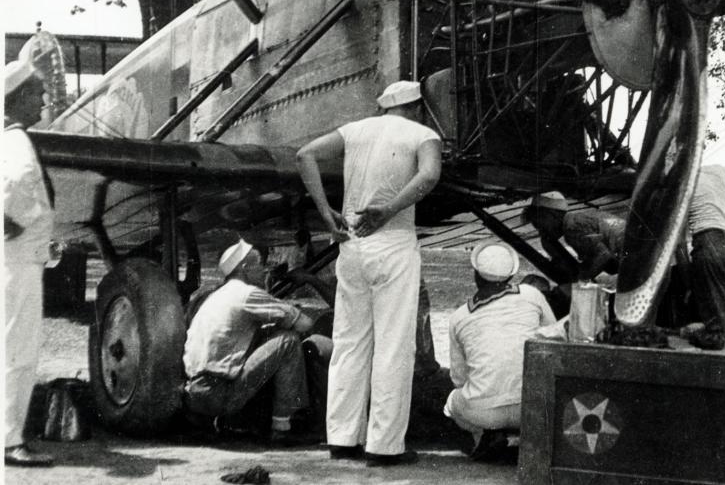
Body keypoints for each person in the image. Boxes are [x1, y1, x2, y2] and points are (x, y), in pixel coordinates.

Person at [296, 80, 442, 467]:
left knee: (349, 341)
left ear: (385, 107)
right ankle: (385, 446)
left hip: (351, 246)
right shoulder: (423, 134)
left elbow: (304, 155)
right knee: (393, 346)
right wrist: (390, 208)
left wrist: (327, 214)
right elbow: (428, 177)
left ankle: (341, 439)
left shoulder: (356, 130)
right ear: (416, 106)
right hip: (392, 242)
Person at [183, 239, 315, 445]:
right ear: (244, 268)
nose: (264, 271)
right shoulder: (246, 294)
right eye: (260, 264)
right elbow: (305, 324)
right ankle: (284, 428)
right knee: (288, 341)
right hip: (219, 394)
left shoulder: (215, 296)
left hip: (195, 395)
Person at [444, 243, 560, 462]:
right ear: (511, 275)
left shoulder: (459, 316)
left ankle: (486, 435)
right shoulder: (532, 295)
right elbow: (553, 340)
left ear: (476, 275)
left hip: (482, 412)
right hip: (532, 405)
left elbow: (458, 378)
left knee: (453, 401)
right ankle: (524, 437)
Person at [4, 59, 55, 467]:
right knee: (19, 353)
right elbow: (18, 185)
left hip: (16, 259)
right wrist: (12, 224)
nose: (43, 99)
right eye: (37, 93)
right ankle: (10, 442)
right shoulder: (18, 143)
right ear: (19, 97)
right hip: (19, 261)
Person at [683, 165, 725, 338]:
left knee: (717, 327)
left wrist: (688, 282)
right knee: (721, 311)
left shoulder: (683, 182)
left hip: (710, 245)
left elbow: (678, 241)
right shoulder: (718, 172)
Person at [521, 192, 626, 281]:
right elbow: (611, 267)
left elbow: (603, 255)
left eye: (539, 225)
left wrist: (579, 281)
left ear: (551, 215)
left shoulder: (571, 227)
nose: (540, 232)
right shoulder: (578, 219)